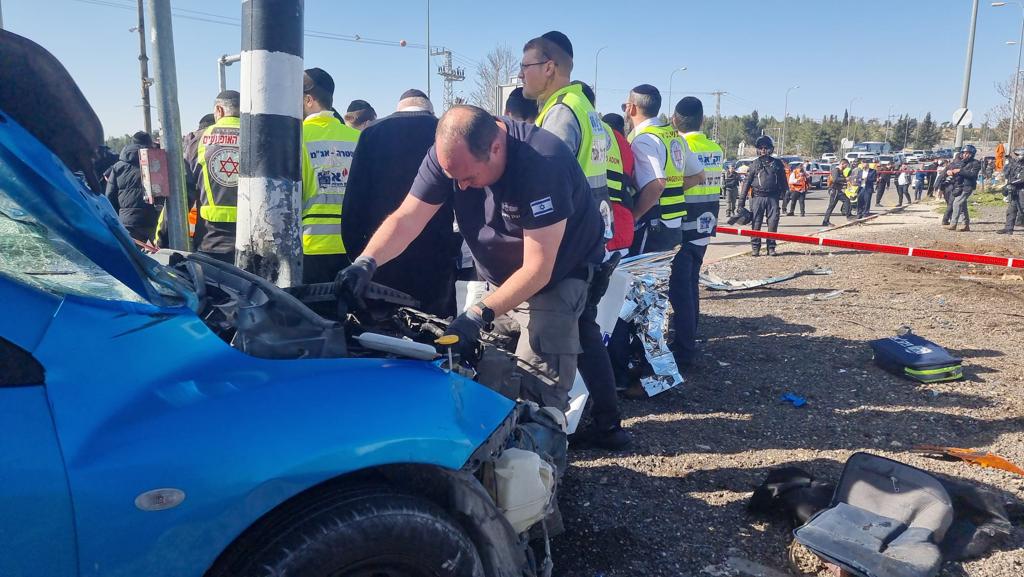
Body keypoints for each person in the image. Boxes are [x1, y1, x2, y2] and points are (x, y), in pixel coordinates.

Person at [337, 105, 604, 417]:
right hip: (501, 278)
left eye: (468, 177)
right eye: (453, 177)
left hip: (556, 276)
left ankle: (540, 455)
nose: (460, 187)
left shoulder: (543, 161)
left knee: (536, 389)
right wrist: (366, 262)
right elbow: (407, 218)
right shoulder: (450, 156)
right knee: (488, 371)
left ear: (496, 147)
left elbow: (538, 268)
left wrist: (478, 313)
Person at [521, 32, 627, 449]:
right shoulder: (588, 110)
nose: (521, 75)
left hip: (567, 247)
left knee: (554, 341)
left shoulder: (562, 114)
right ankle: (608, 422)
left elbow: (545, 182)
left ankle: (544, 436)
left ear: (549, 68)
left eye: (526, 66)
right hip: (592, 241)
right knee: (585, 333)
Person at [342, 89, 458, 317]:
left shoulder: (371, 133)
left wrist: (361, 255)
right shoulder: (444, 133)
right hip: (434, 258)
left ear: (399, 108)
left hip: (381, 258)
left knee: (381, 329)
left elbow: (354, 202)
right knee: (435, 331)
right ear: (430, 109)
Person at [298, 68, 362, 284]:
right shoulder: (358, 138)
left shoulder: (297, 138)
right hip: (354, 247)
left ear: (308, 100)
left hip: (310, 248)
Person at [624, 84, 704, 254]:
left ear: (631, 108)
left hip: (652, 224)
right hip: (673, 224)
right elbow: (699, 175)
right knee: (660, 278)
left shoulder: (644, 139)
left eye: (625, 106)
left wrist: (634, 216)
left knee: (640, 278)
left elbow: (657, 184)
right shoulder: (674, 136)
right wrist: (672, 190)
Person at [673, 96, 721, 370]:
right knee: (691, 285)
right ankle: (690, 336)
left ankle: (684, 350)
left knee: (680, 291)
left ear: (676, 120)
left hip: (683, 226)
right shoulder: (714, 148)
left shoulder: (681, 146)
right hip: (705, 225)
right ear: (702, 120)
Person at [195, 90, 241, 263]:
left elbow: (181, 194)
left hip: (212, 239)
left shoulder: (199, 139)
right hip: (253, 239)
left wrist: (162, 240)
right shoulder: (259, 137)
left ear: (219, 110)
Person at [105, 131, 159, 242]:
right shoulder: (157, 162)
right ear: (149, 143)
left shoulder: (118, 167)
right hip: (154, 219)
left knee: (133, 255)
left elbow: (109, 196)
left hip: (128, 221)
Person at [738, 135, 787, 256]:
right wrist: (741, 203)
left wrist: (785, 201)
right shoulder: (754, 164)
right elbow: (746, 184)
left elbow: (784, 184)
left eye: (766, 147)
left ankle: (771, 247)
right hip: (757, 198)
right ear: (758, 149)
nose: (763, 150)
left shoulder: (777, 164)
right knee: (756, 223)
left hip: (773, 198)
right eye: (761, 147)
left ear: (771, 149)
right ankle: (755, 248)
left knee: (773, 222)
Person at [947, 144, 982, 232]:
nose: (965, 155)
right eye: (964, 153)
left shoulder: (976, 163)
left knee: (956, 203)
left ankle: (953, 224)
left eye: (967, 153)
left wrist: (960, 171)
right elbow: (953, 168)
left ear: (972, 154)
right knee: (962, 206)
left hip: (968, 186)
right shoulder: (961, 162)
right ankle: (966, 225)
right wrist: (950, 171)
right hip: (959, 186)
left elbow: (973, 175)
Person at [998, 147, 1024, 234]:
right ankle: (1008, 228)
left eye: (1018, 155)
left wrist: (1011, 183)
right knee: (1011, 209)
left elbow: (1022, 179)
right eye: (1015, 155)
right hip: (1015, 189)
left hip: (1022, 189)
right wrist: (1008, 164)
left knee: (1022, 209)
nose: (1016, 157)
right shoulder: (1014, 164)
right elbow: (1007, 175)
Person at [821, 158, 850, 226]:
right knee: (833, 205)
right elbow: (835, 179)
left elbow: (840, 180)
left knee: (845, 201)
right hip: (834, 190)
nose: (846, 167)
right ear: (842, 164)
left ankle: (825, 221)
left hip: (837, 190)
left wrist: (845, 182)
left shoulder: (840, 171)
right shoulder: (835, 170)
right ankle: (848, 216)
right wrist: (845, 179)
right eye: (846, 165)